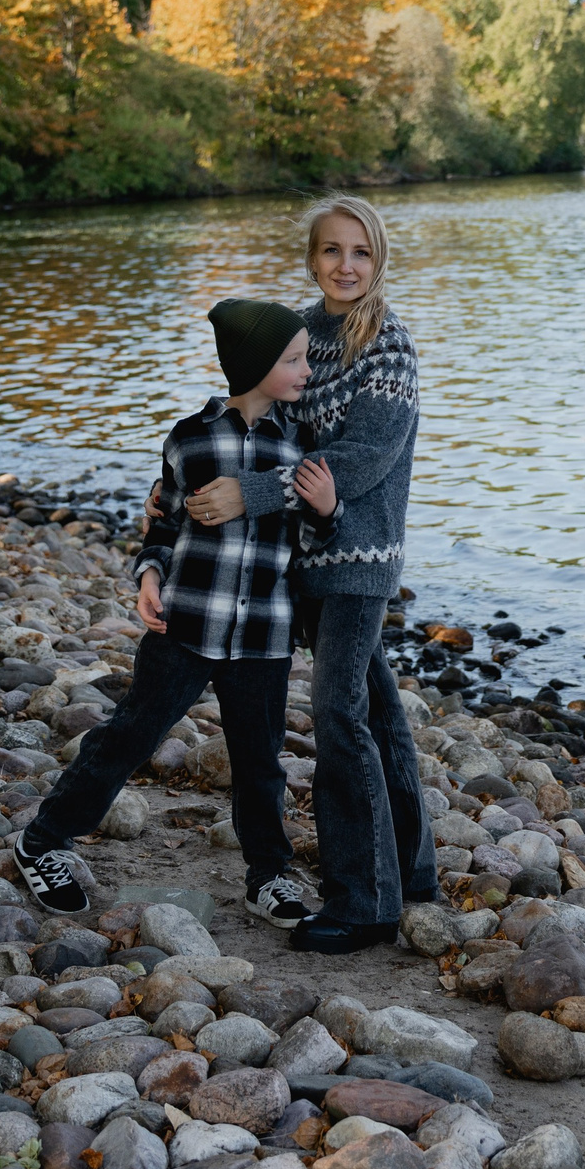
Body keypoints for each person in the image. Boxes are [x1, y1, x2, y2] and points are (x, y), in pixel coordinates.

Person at [13, 299, 336, 929]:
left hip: (264, 634)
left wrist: (326, 511)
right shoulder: (189, 438)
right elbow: (161, 528)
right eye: (293, 359)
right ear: (254, 363)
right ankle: (43, 840)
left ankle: (269, 875)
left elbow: (315, 546)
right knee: (130, 734)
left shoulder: (302, 444)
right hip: (185, 623)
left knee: (260, 761)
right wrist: (149, 574)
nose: (306, 369)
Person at [178, 195, 434, 954]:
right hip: (303, 557)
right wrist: (196, 461)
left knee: (338, 719)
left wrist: (253, 493)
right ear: (312, 257)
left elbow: (360, 460)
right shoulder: (298, 332)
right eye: (331, 251)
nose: (345, 265)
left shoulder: (387, 343)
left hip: (358, 559)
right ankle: (410, 865)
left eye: (359, 251)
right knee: (377, 710)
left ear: (378, 257)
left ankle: (365, 900)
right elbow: (259, 408)